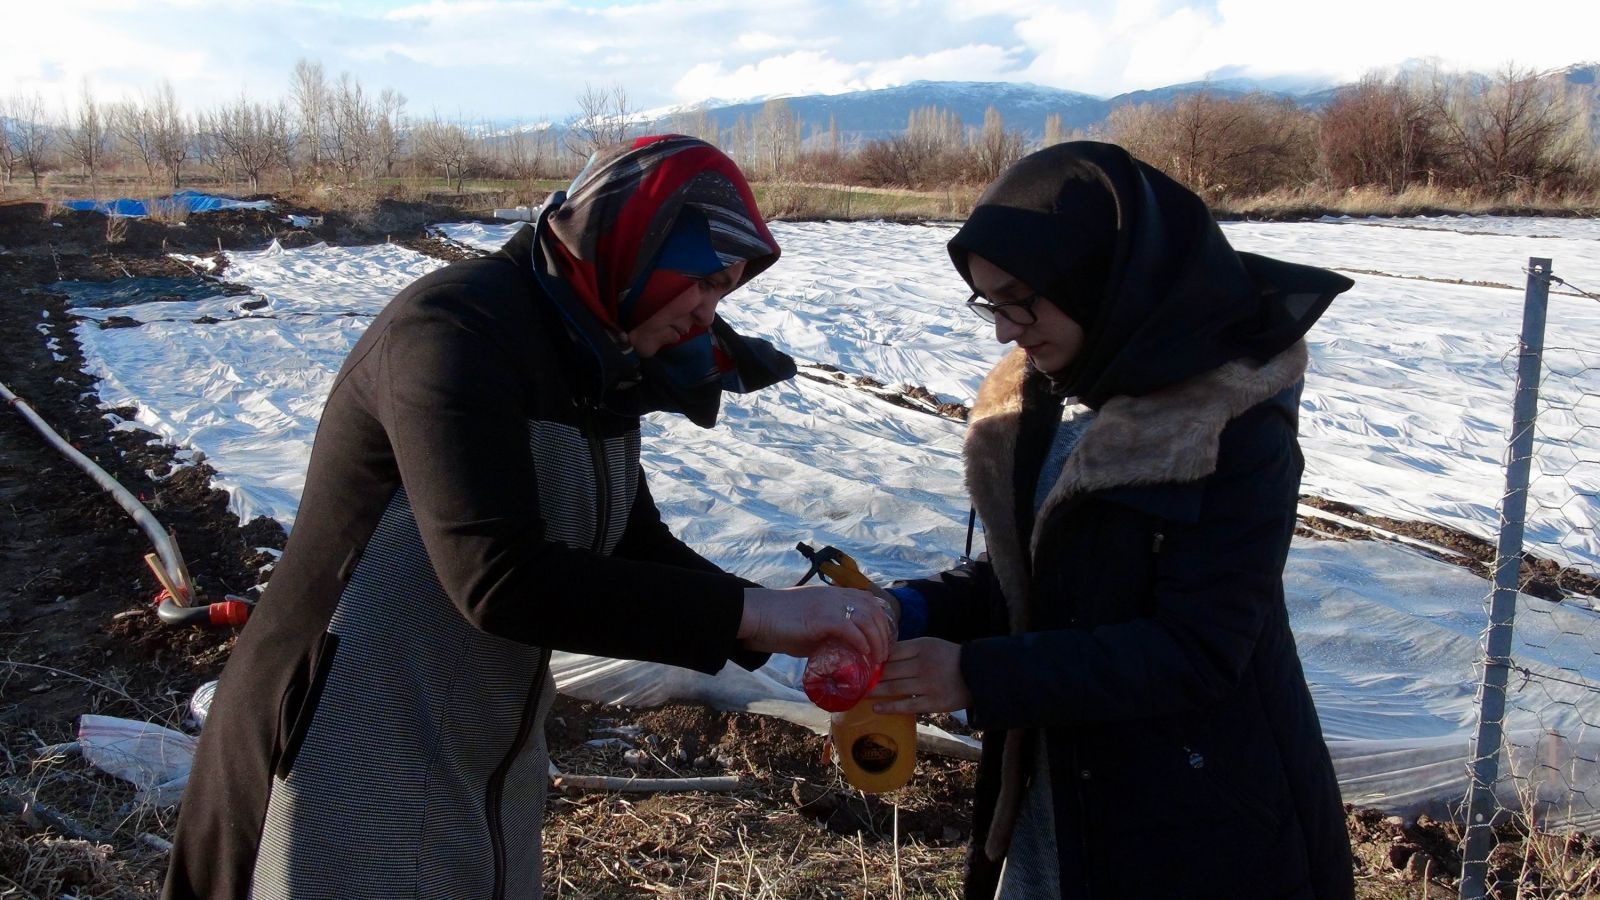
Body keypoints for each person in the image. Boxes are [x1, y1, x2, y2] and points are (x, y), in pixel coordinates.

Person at [162, 135, 892, 900]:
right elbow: (496, 578)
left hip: (478, 754)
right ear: (642, 244)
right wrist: (756, 615)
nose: (711, 311)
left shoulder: (598, 357)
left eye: (728, 291)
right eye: (706, 281)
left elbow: (633, 545)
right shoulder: (453, 330)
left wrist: (787, 622)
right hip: (338, 750)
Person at [868, 141, 1356, 899]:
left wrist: (974, 673)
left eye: (1019, 297)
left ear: (1098, 274)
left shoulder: (1230, 425)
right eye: (988, 302)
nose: (1004, 330)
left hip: (1196, 825)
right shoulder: (1040, 400)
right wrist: (905, 608)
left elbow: (1198, 649)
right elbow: (1033, 582)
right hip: (1055, 803)